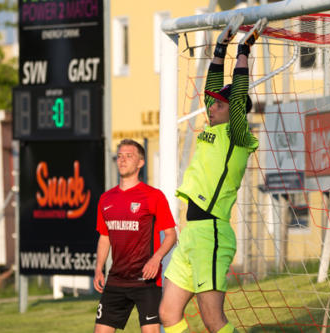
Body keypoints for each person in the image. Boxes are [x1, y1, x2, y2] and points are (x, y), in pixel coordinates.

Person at [159, 16, 267, 333]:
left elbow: (235, 93)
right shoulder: (213, 127)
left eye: (219, 104)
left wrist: (244, 49)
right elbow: (211, 88)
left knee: (212, 320)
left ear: (232, 108)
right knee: (168, 314)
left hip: (212, 234)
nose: (212, 106)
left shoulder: (238, 134)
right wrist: (220, 48)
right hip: (191, 232)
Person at [93, 139, 177, 333]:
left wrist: (156, 259)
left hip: (145, 280)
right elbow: (104, 237)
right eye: (120, 156)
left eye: (129, 156)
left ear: (140, 163)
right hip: (116, 279)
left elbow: (171, 235)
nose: (122, 160)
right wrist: (99, 268)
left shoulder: (153, 196)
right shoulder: (106, 198)